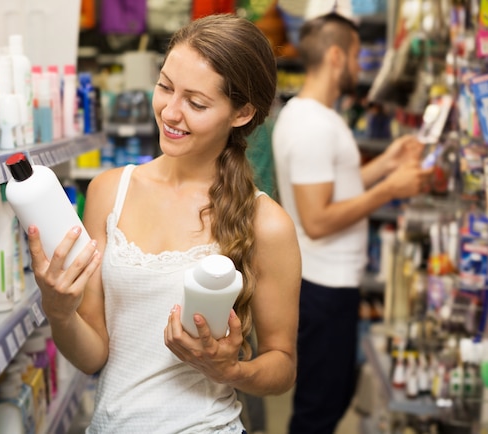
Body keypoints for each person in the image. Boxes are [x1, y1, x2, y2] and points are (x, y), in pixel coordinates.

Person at [27, 14, 301, 433]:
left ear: (242, 112)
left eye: (196, 102)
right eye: (165, 87)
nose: (170, 112)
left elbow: (282, 367)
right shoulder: (109, 192)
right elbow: (95, 356)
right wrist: (59, 312)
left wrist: (229, 370)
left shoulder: (266, 223)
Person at [272, 12, 431, 434]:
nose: (361, 66)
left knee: (333, 394)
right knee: (317, 410)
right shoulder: (311, 126)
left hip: (329, 283)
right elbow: (319, 219)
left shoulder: (312, 117)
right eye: (358, 55)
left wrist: (385, 164)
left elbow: (334, 190)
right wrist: (390, 190)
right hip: (323, 287)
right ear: (337, 56)